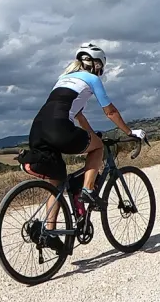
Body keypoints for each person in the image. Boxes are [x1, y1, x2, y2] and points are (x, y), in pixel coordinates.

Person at [16, 42, 145, 253]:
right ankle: (87, 190)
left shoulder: (62, 79)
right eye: (101, 67)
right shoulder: (92, 79)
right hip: (59, 127)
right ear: (96, 65)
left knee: (57, 182)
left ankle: (49, 233)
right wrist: (129, 132)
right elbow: (110, 112)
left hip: (37, 129)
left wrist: (91, 135)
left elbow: (78, 115)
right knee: (98, 147)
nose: (100, 71)